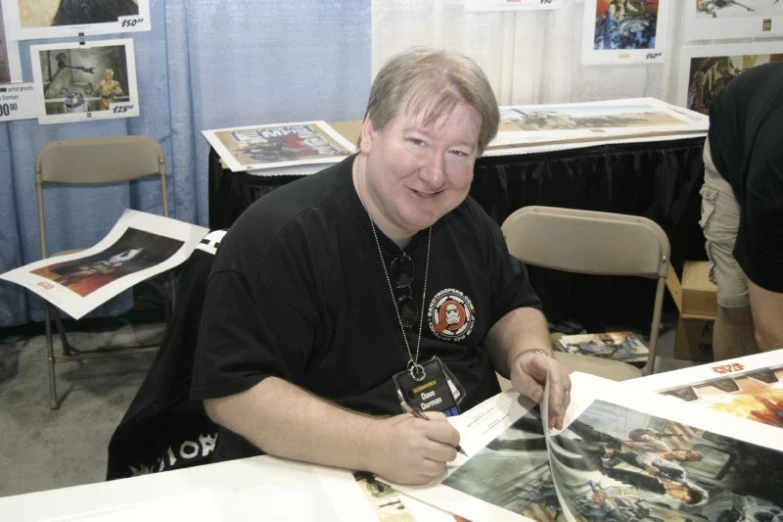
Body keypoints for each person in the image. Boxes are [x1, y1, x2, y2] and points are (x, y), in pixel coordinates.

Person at [190, 47, 570, 486]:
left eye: (459, 153)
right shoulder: (280, 237)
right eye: (418, 142)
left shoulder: (466, 221)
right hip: (326, 469)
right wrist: (372, 444)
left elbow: (512, 304)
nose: (435, 175)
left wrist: (528, 353)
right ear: (370, 132)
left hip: (467, 458)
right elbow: (231, 392)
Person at [699, 62, 783, 360]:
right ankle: (728, 399)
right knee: (737, 305)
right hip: (734, 144)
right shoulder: (772, 177)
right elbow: (771, 332)